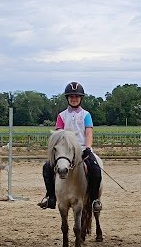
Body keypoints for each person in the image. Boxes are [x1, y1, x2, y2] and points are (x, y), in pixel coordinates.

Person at [37, 82, 103, 211]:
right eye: (71, 97)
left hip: (82, 149)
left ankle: (94, 199)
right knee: (47, 167)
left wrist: (88, 147)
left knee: (95, 169)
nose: (74, 99)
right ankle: (50, 197)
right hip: (65, 150)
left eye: (77, 97)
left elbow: (88, 132)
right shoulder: (62, 115)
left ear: (81, 99)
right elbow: (58, 133)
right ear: (67, 98)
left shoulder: (86, 115)